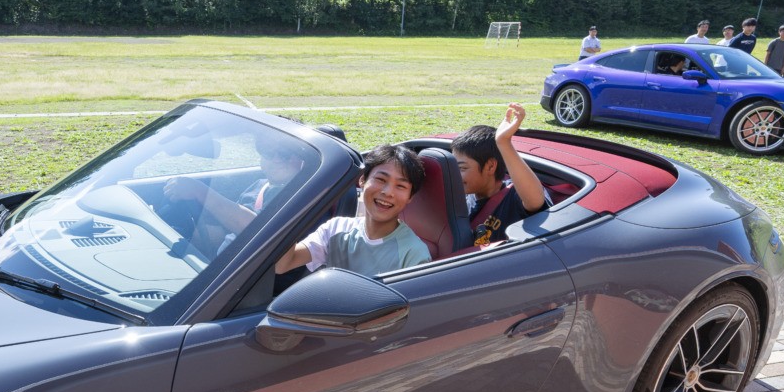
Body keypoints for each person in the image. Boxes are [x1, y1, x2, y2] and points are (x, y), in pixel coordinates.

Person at [276, 144, 430, 276]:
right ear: (362, 180)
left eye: (401, 186)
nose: (388, 192)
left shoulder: (413, 254)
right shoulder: (336, 229)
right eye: (381, 179)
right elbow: (283, 264)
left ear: (410, 197)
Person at [163, 133, 307, 252]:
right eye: (267, 151)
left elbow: (259, 231)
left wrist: (200, 192)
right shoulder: (259, 186)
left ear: (303, 157)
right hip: (228, 271)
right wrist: (184, 234)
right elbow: (225, 232)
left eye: (285, 153)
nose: (276, 159)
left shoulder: (305, 195)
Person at [451, 103, 550, 247]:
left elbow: (535, 201)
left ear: (490, 166)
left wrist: (503, 142)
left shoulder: (514, 196)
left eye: (462, 168)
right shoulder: (463, 195)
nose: (455, 175)